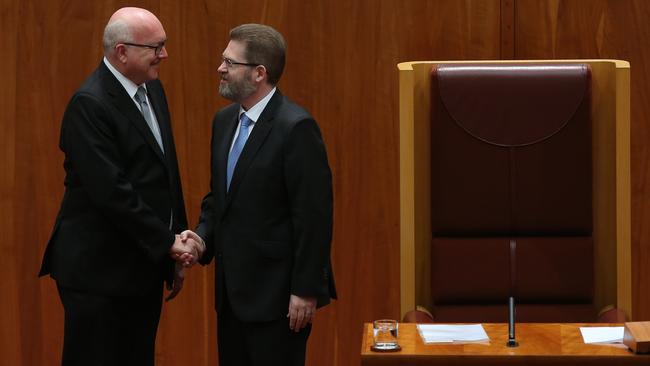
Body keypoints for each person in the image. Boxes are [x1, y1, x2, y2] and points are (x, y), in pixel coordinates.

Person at [38, 7, 203, 366]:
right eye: (155, 47)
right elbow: (112, 192)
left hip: (140, 268)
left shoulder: (151, 90)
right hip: (98, 275)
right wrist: (167, 243)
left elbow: (166, 174)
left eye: (164, 45)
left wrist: (176, 240)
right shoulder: (89, 105)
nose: (165, 55)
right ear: (121, 52)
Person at [182, 23, 336, 366]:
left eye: (230, 63)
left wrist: (305, 289)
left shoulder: (295, 127)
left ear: (259, 74)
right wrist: (201, 239)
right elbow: (220, 199)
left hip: (279, 300)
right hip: (232, 297)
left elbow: (314, 216)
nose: (220, 68)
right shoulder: (223, 122)